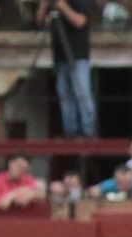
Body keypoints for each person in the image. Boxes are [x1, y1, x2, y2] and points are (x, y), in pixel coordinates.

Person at [37, 0, 95, 138]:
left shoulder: (79, 2)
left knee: (81, 91)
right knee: (65, 94)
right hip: (60, 55)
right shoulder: (52, 4)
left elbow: (80, 21)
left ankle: (88, 130)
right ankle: (70, 131)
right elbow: (41, 22)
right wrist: (44, 5)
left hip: (78, 54)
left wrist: (64, 7)